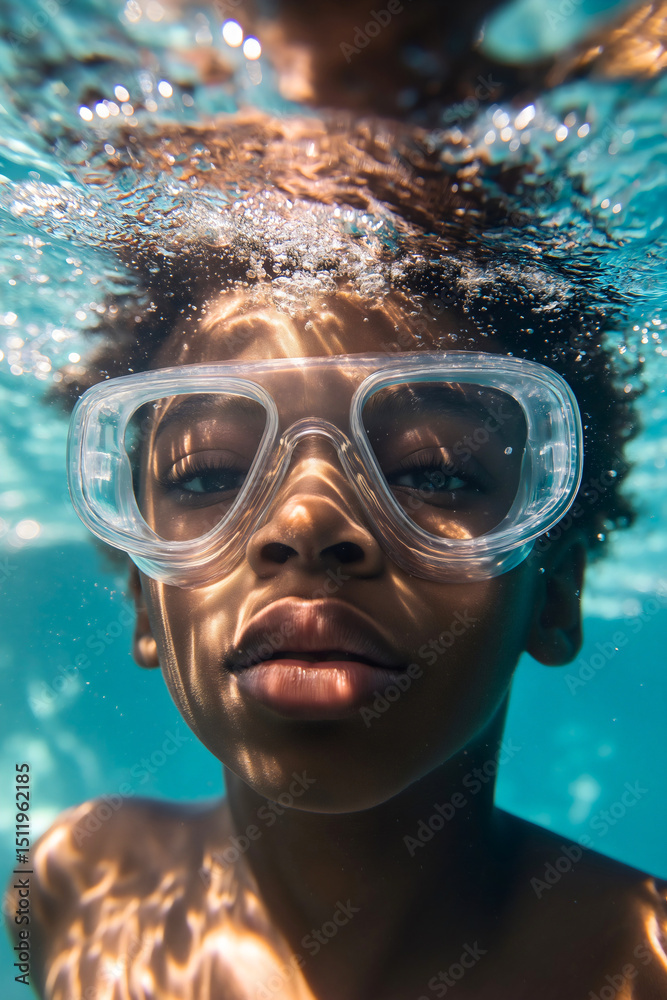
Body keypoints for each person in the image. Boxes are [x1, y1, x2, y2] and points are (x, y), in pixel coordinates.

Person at [5, 115, 666, 1000]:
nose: (308, 520)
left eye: (433, 470)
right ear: (139, 595)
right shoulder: (65, 887)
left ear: (556, 593)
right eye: (207, 478)